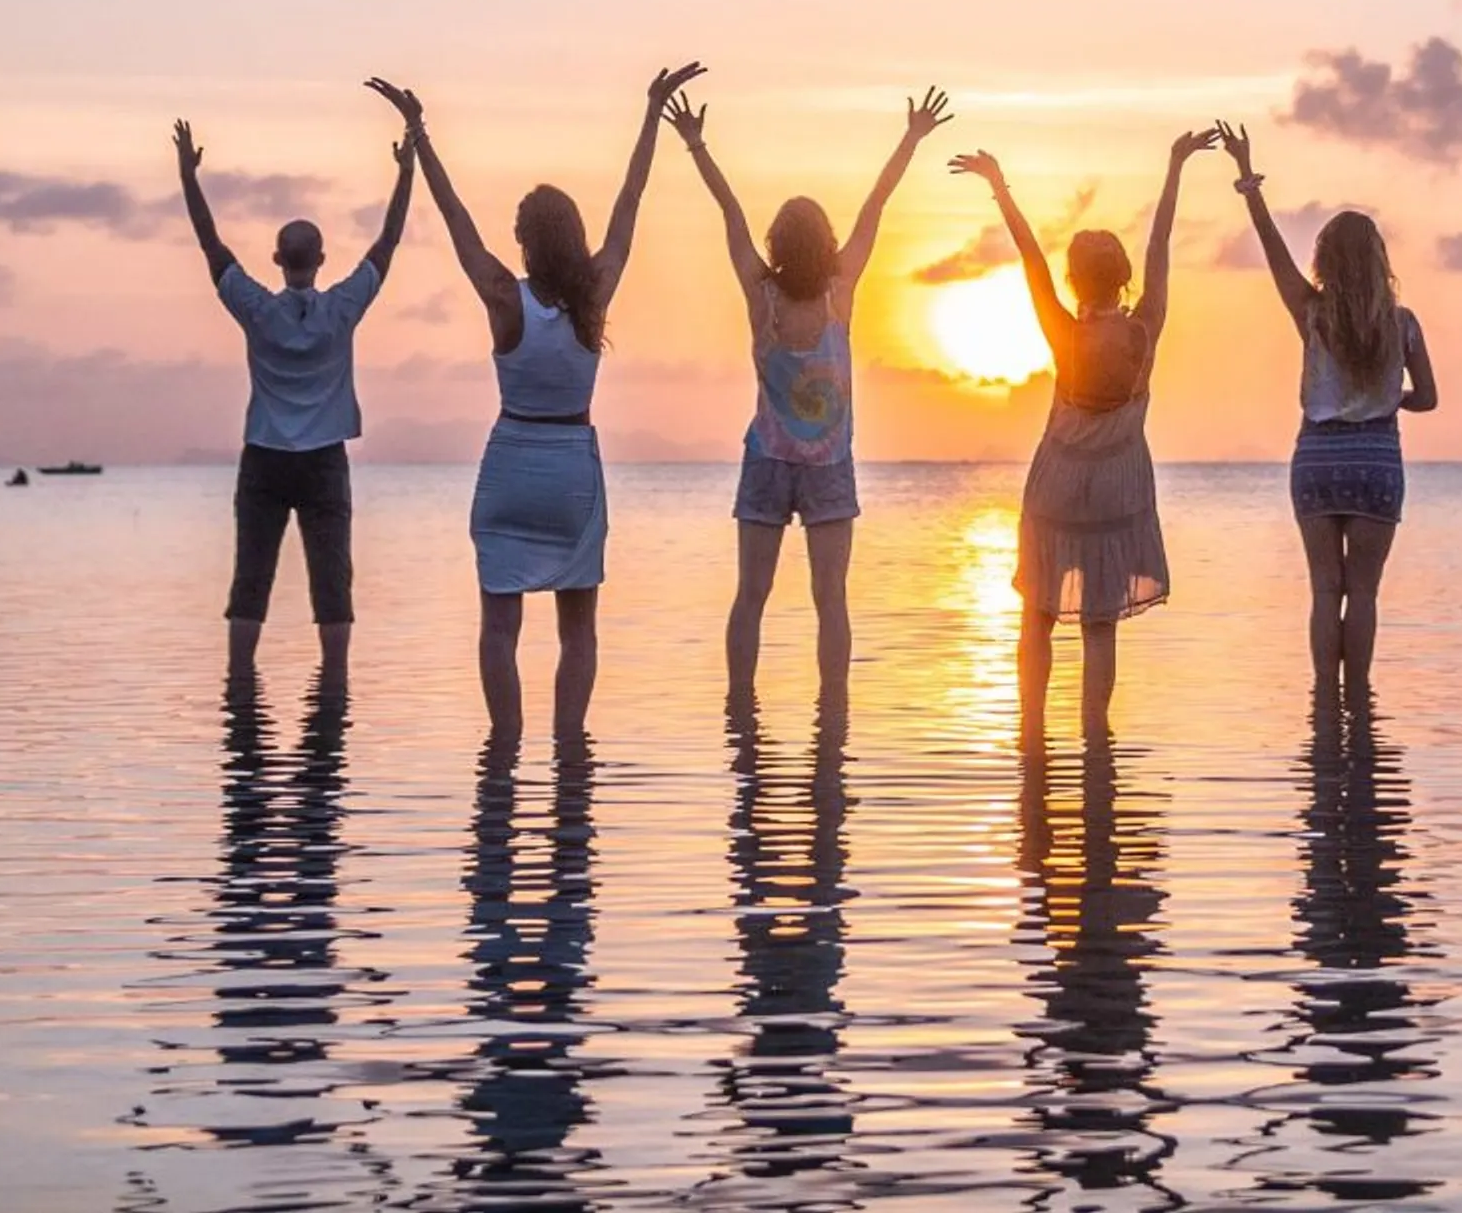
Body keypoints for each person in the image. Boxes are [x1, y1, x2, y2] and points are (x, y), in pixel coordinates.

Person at [396, 63, 698, 748]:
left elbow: (455, 222)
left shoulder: (506, 297)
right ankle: (569, 751)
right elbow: (630, 202)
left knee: (499, 630)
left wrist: (421, 136)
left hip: (509, 468)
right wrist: (651, 113)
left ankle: (503, 750)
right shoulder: (594, 294)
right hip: (570, 473)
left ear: (528, 240)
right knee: (578, 630)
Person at [669, 77, 953, 715]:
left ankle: (740, 710)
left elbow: (730, 213)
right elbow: (876, 207)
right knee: (832, 599)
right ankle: (833, 717)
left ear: (775, 245)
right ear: (825, 243)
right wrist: (910, 137)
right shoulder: (840, 289)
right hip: (826, 466)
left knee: (751, 597)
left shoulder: (760, 294)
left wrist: (697, 146)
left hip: (768, 460)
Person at [960, 128, 1194, 739]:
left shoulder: (1062, 332)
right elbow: (1162, 244)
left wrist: (998, 185)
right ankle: (1096, 733)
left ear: (1076, 281)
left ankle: (1030, 732)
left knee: (1036, 616)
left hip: (1057, 488)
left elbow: (1029, 256)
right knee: (1099, 623)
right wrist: (1175, 167)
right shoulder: (1145, 330)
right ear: (1122, 278)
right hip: (1117, 493)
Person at [176, 109, 415, 685]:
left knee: (251, 574)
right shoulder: (341, 308)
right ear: (323, 260)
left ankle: (240, 680)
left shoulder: (257, 308)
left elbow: (210, 245)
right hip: (323, 461)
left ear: (278, 261)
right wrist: (407, 172)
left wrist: (188, 174)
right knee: (331, 578)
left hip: (264, 456)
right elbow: (389, 242)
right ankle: (334, 680)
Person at [1223, 121, 1438, 705]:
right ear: (1378, 261)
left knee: (1325, 591)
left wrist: (1249, 181)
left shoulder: (1311, 313)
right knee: (1363, 594)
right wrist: (1389, 400)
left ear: (1324, 259)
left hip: (1317, 458)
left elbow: (1272, 249)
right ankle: (1360, 703)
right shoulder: (1403, 323)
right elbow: (1429, 397)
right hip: (1376, 461)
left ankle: (1323, 703)